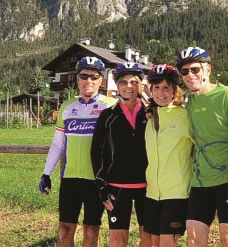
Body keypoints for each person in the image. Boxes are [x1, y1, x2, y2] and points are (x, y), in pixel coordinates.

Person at [176, 47, 228, 247]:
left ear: (208, 69)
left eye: (195, 69)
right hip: (201, 180)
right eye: (184, 72)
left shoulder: (227, 96)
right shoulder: (189, 101)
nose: (190, 75)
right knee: (193, 240)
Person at [39, 56, 118, 247]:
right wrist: (46, 173)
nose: (88, 81)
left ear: (101, 80)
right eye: (84, 76)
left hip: (96, 180)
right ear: (77, 79)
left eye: (93, 77)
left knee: (91, 232)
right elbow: (58, 144)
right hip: (71, 179)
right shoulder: (67, 107)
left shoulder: (111, 105)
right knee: (65, 230)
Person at [90, 61, 149, 247]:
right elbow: (96, 150)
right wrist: (101, 185)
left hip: (147, 186)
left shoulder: (151, 113)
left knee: (148, 238)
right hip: (117, 186)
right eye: (123, 82)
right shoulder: (108, 115)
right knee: (117, 239)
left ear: (141, 85)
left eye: (134, 82)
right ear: (117, 85)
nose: (129, 86)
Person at [142, 64, 192, 247]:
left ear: (174, 90)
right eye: (156, 88)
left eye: (166, 88)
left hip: (176, 192)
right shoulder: (150, 116)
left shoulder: (185, 116)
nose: (161, 93)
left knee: (167, 243)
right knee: (154, 241)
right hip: (153, 192)